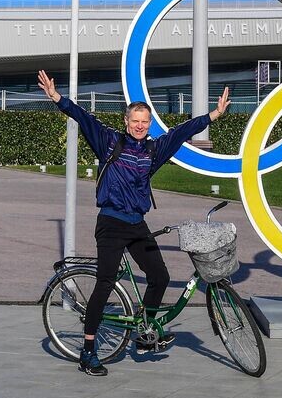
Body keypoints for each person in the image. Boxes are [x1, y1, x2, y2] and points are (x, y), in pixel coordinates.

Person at [37, 69, 229, 375]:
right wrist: (57, 98)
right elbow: (83, 117)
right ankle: (88, 352)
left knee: (160, 277)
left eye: (144, 122)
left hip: (137, 224)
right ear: (126, 122)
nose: (139, 126)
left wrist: (213, 115)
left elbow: (180, 132)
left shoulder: (153, 150)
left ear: (149, 124)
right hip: (111, 224)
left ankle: (146, 331)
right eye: (135, 121)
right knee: (105, 283)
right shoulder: (109, 142)